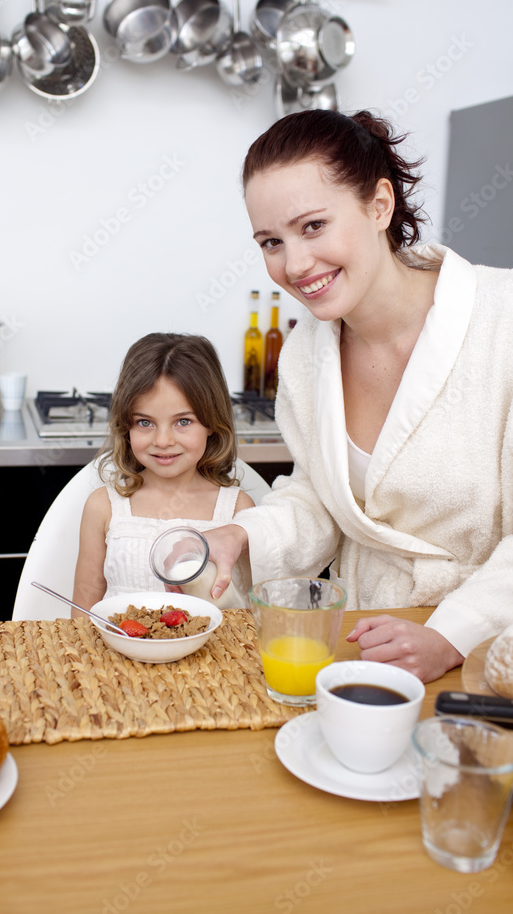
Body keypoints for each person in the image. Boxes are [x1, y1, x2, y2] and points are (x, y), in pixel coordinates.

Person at [205, 108, 513, 683]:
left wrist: (452, 633)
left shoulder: (503, 322)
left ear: (379, 205)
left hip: (490, 650)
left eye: (313, 226)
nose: (295, 265)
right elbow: (323, 497)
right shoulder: (304, 354)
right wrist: (243, 534)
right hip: (364, 636)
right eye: (271, 241)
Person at [72, 333, 255, 610]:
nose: (163, 441)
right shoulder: (103, 507)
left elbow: (249, 615)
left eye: (183, 421)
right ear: (126, 426)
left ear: (211, 422)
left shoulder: (237, 510)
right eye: (145, 422)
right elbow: (83, 611)